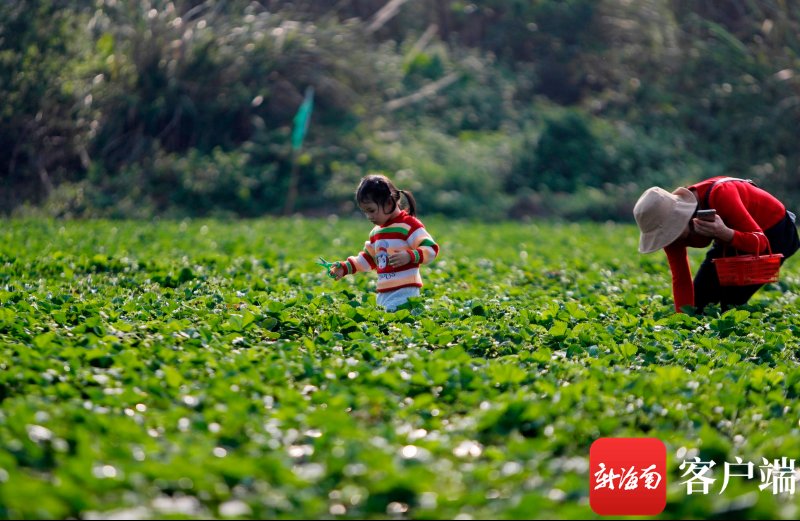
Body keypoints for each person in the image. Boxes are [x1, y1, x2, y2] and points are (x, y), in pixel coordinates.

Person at [633, 176, 799, 313]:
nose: (669, 239)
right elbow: (681, 279)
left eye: (670, 232)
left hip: (774, 232)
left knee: (731, 302)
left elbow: (760, 243)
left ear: (680, 217)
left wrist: (724, 233)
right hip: (728, 236)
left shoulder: (721, 195)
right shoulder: (669, 236)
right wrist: (682, 323)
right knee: (699, 303)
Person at [327, 174, 440, 311]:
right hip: (383, 292)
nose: (369, 216)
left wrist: (410, 256)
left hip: (405, 292)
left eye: (372, 210)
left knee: (395, 323)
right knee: (385, 324)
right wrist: (345, 267)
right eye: (365, 212)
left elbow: (431, 249)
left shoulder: (408, 225)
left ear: (389, 202)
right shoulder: (376, 232)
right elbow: (369, 259)